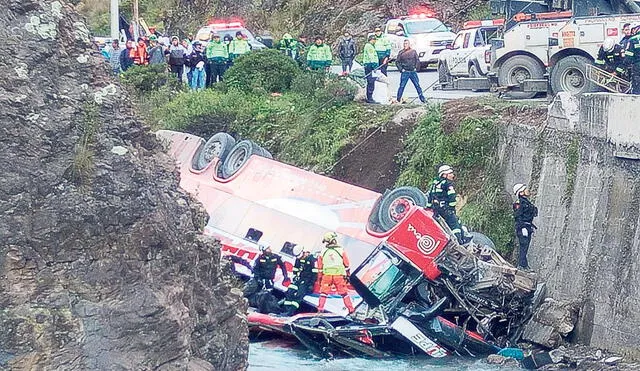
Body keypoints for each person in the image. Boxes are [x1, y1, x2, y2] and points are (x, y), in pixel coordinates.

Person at [426, 165, 466, 244]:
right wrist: (451, 208)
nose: (452, 175)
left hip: (436, 210)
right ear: (444, 175)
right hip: (446, 209)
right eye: (450, 173)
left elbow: (430, 197)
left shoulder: (434, 184)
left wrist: (428, 208)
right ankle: (459, 242)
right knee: (455, 224)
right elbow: (452, 197)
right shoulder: (447, 184)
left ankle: (458, 239)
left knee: (447, 224)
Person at [317, 232, 355, 314]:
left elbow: (320, 268)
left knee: (323, 293)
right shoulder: (341, 250)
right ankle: (351, 310)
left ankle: (320, 310)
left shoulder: (322, 252)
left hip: (327, 276)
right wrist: (348, 275)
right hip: (339, 276)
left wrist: (320, 278)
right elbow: (347, 265)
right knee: (344, 293)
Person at [282, 245, 318, 316]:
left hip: (306, 281)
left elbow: (314, 273)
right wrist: (295, 276)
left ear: (304, 252)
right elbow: (295, 268)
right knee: (289, 292)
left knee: (298, 295)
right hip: (298, 279)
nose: (300, 258)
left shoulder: (312, 260)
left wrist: (311, 284)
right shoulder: (298, 259)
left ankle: (290, 312)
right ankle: (285, 310)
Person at [513, 184, 538, 270]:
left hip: (528, 227)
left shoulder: (526, 202)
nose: (528, 190)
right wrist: (522, 227)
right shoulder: (519, 203)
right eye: (525, 189)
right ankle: (522, 265)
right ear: (521, 192)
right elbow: (518, 216)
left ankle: (524, 264)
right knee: (523, 246)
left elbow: (533, 212)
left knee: (526, 246)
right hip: (523, 227)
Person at [396, 39, 427, 103]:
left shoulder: (413, 51)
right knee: (402, 86)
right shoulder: (401, 52)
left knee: (417, 85)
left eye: (406, 43)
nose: (405, 45)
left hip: (413, 72)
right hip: (405, 72)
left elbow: (417, 60)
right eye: (404, 44)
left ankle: (422, 99)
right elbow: (397, 62)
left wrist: (416, 68)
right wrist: (401, 69)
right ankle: (398, 99)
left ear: (409, 44)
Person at [362, 34, 378, 103]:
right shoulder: (369, 46)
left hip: (370, 65)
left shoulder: (370, 46)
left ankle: (370, 96)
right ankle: (369, 97)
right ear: (372, 40)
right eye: (374, 40)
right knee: (371, 81)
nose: (375, 41)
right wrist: (374, 66)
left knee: (371, 81)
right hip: (370, 65)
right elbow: (371, 57)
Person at [624, 26, 640, 94]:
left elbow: (629, 55)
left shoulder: (632, 39)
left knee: (637, 83)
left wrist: (625, 64)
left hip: (637, 65)